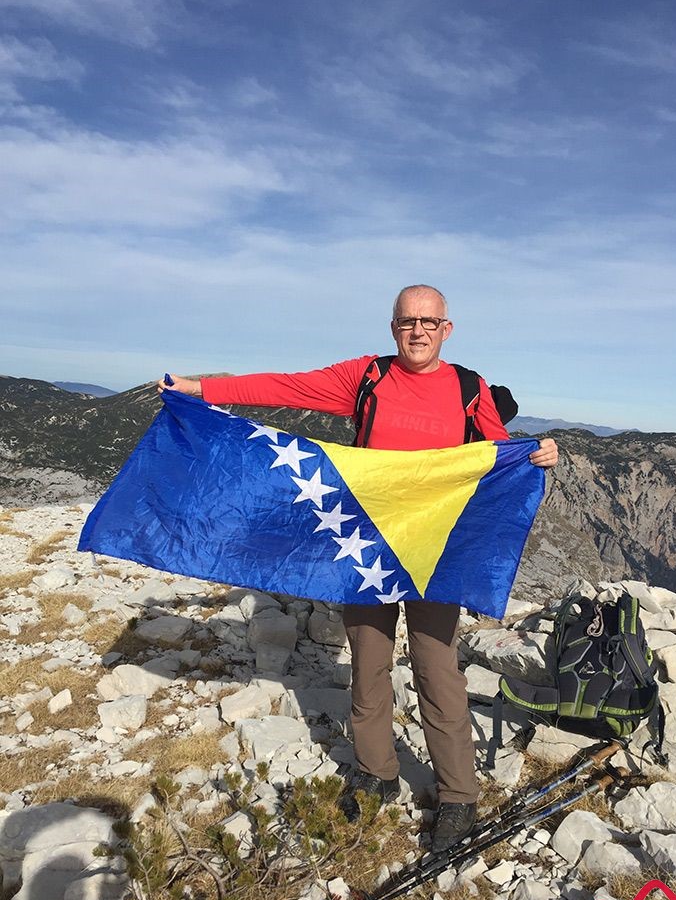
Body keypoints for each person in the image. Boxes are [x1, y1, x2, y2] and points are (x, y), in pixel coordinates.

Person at [159, 284, 558, 850]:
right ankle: (377, 773)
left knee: (437, 669)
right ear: (394, 326)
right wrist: (200, 389)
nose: (417, 331)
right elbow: (287, 386)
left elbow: (498, 456)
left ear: (446, 329)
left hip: (434, 553)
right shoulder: (367, 376)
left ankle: (458, 796)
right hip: (365, 548)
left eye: (428, 322)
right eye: (407, 321)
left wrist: (537, 454)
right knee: (368, 664)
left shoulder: (470, 388)